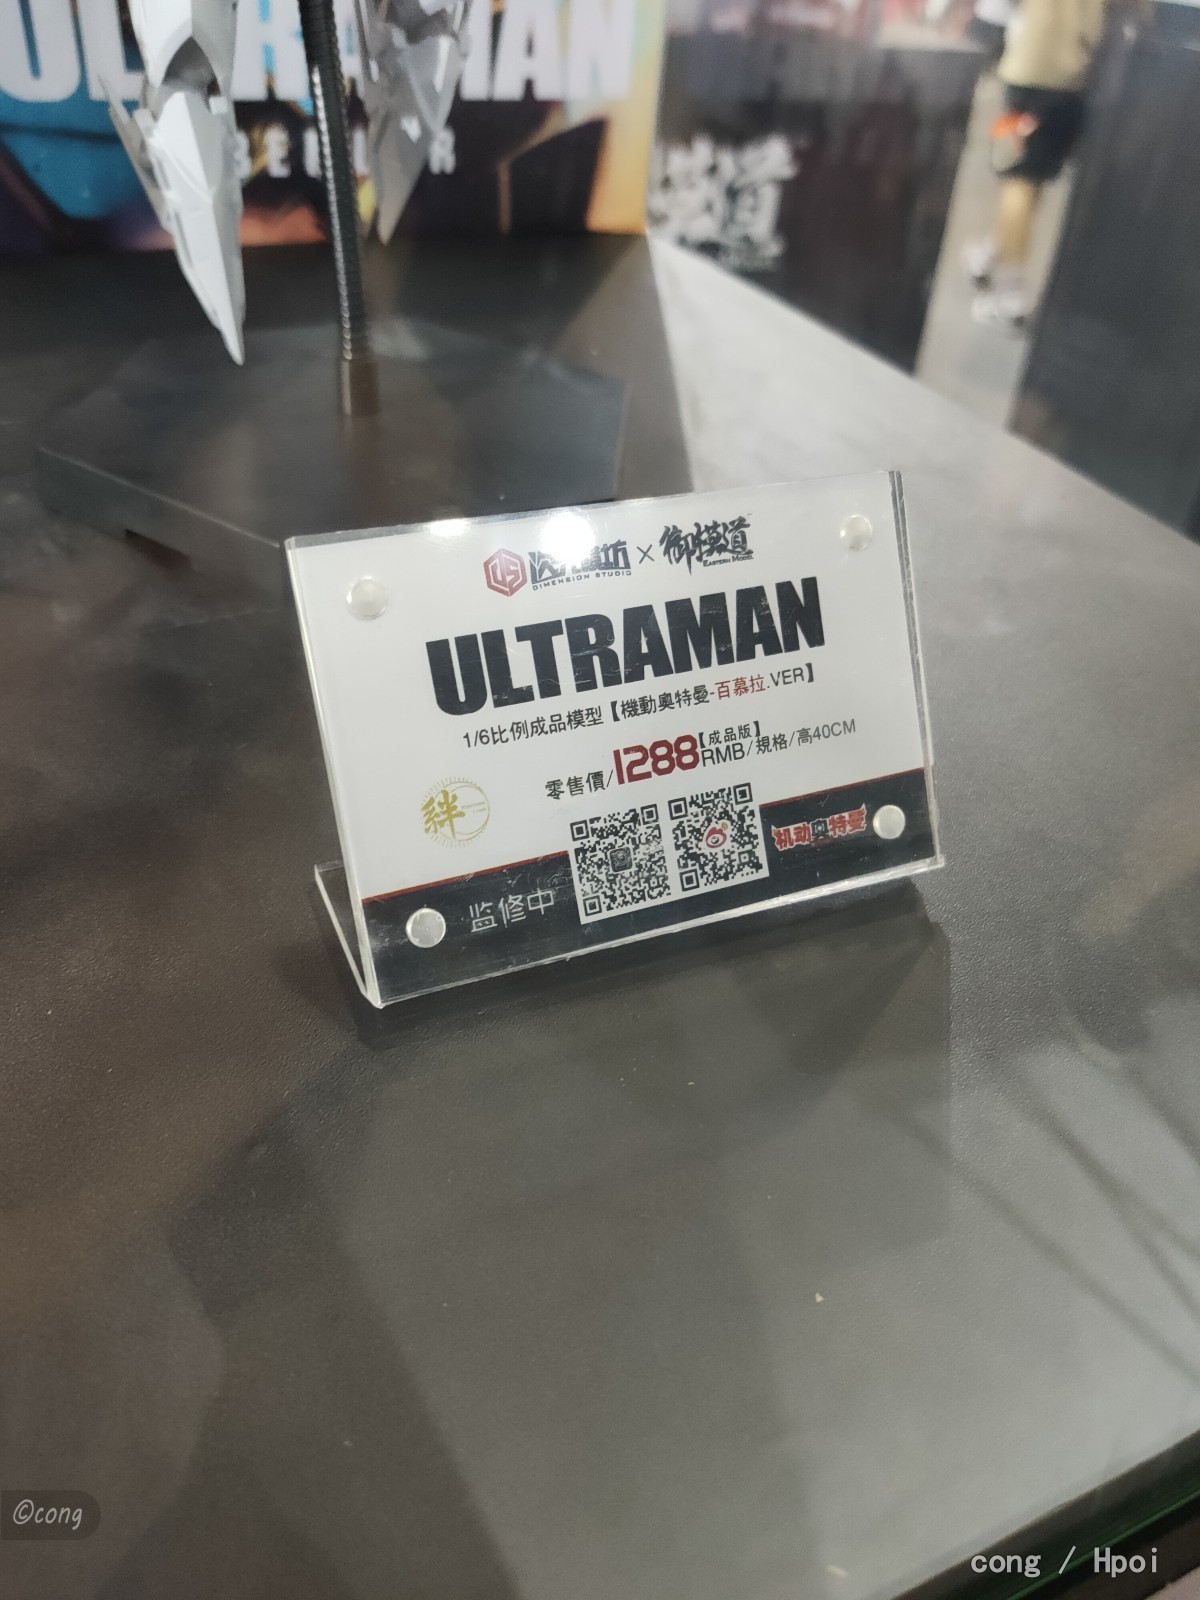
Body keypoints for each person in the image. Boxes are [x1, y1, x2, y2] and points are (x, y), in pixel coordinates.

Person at [965, 0, 1110, 329]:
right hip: (1076, 75)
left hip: (1030, 71)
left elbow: (996, 10)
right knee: (1036, 178)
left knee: (1018, 178)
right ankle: (989, 253)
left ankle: (1012, 297)